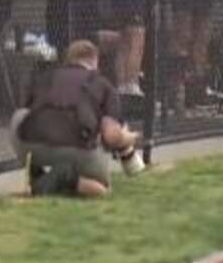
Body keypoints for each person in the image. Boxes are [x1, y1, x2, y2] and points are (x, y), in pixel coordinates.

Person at [10, 40, 145, 198]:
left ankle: (38, 174)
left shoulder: (45, 77)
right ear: (95, 61)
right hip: (76, 147)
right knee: (102, 190)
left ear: (68, 59)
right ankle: (66, 176)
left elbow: (29, 111)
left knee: (20, 116)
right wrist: (129, 138)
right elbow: (111, 136)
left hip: (30, 146)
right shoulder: (103, 84)